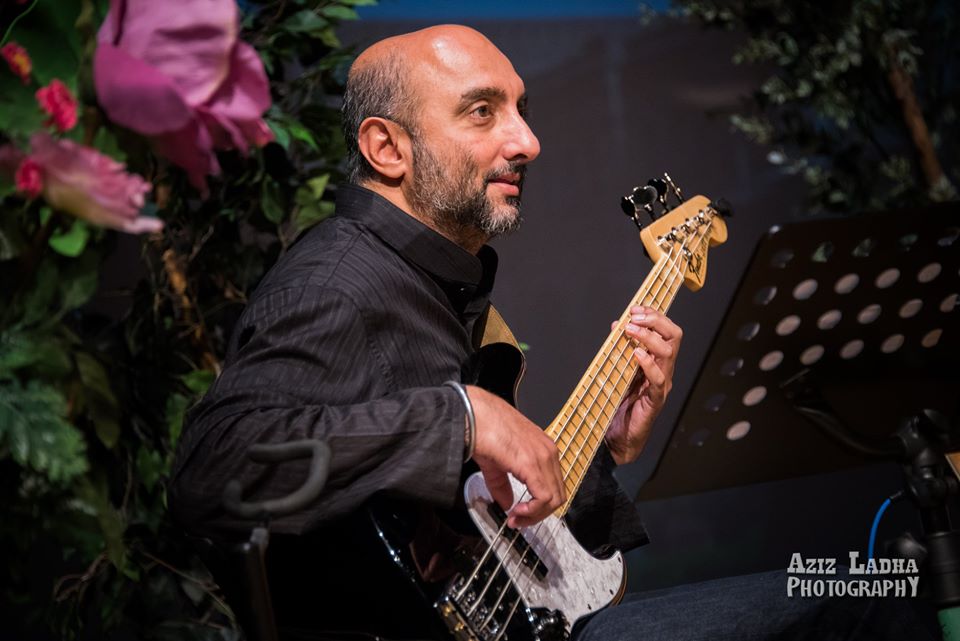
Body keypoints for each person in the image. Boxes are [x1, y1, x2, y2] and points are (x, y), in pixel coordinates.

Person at [171, 25, 937, 641]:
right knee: (866, 604)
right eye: (482, 112)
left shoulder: (442, 285)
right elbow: (211, 471)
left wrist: (604, 447)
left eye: (521, 108)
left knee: (866, 584)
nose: (527, 141)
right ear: (387, 149)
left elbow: (505, 542)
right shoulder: (339, 279)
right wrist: (461, 415)